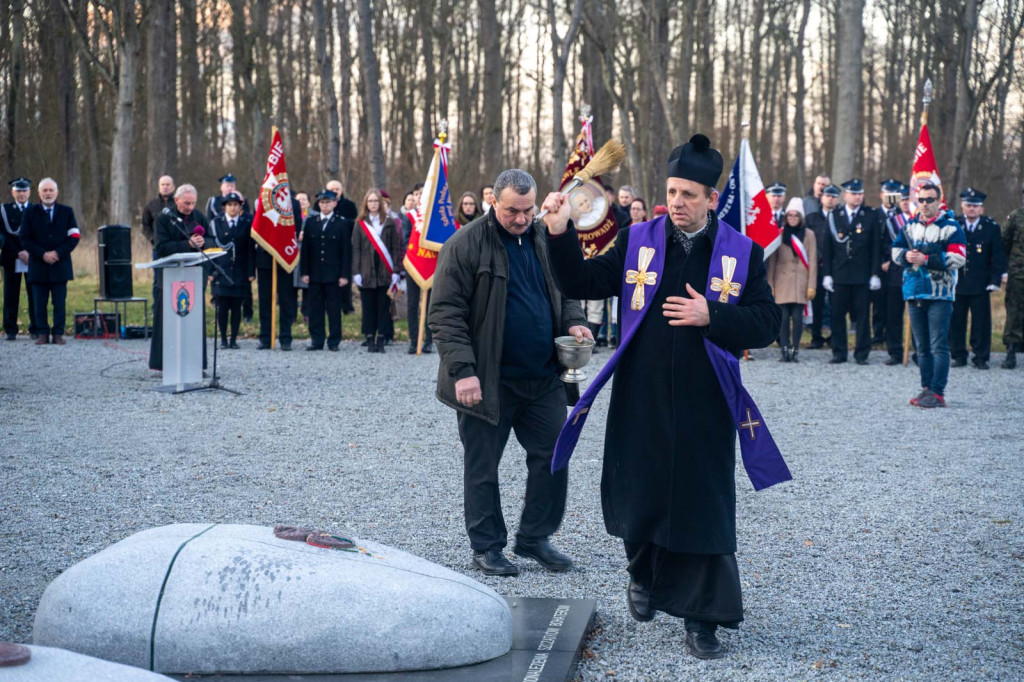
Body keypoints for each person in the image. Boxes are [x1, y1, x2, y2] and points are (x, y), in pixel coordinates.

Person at [543, 134, 787, 660]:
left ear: (711, 200)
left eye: (689, 195)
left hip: (706, 400)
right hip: (642, 394)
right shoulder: (638, 238)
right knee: (641, 493)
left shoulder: (740, 254)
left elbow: (769, 323)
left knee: (703, 506)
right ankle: (643, 578)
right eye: (672, 191)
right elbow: (580, 277)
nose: (677, 202)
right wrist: (560, 232)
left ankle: (703, 620)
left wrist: (712, 316)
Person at [429, 168, 590, 578]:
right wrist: (463, 370)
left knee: (554, 457)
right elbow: (446, 315)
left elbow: (566, 289)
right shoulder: (464, 245)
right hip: (486, 382)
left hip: (542, 378)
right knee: (483, 467)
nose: (521, 219)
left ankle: (534, 537)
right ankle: (486, 547)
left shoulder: (541, 237)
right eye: (511, 211)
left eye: (528, 210)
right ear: (492, 203)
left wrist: (573, 321)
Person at [892, 182, 965, 406]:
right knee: (921, 347)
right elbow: (895, 251)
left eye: (929, 200)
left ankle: (938, 392)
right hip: (914, 292)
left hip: (940, 294)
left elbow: (959, 258)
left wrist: (928, 259)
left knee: (938, 345)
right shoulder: (909, 226)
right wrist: (906, 256)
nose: (924, 204)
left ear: (939, 200)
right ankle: (926, 388)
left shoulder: (952, 228)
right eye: (921, 200)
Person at [821, 178, 882, 364]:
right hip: (839, 275)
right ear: (845, 195)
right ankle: (839, 352)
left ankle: (862, 353)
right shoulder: (834, 215)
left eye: (860, 194)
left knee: (863, 318)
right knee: (838, 316)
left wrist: (875, 273)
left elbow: (875, 247)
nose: (858, 197)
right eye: (854, 194)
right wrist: (827, 275)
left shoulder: (870, 215)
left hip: (862, 275)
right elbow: (828, 247)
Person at [149, 184, 209, 370]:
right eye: (186, 203)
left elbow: (213, 239)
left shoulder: (199, 217)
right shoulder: (164, 218)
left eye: (192, 203)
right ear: (176, 200)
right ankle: (163, 364)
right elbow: (162, 247)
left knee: (193, 318)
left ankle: (195, 363)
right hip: (169, 276)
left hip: (194, 276)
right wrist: (187, 244)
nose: (189, 208)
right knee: (166, 319)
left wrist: (204, 243)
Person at [949, 188, 1006, 370]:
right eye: (968, 205)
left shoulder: (990, 227)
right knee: (956, 320)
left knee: (981, 322)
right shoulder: (954, 225)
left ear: (982, 209)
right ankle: (958, 355)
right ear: (962, 206)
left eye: (975, 206)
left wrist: (995, 280)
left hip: (981, 283)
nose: (971, 209)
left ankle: (980, 356)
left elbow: (997, 256)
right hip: (958, 282)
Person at [20, 178, 80, 345]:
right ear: (39, 193)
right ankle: (42, 333)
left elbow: (74, 236)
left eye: (50, 190)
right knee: (39, 303)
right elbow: (24, 238)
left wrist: (57, 253)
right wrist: (42, 254)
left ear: (56, 192)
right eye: (44, 190)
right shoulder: (30, 213)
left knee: (59, 302)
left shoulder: (67, 212)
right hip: (39, 266)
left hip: (60, 265)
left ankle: (59, 333)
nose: (48, 193)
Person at [352, 188, 402, 353]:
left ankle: (381, 338)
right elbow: (356, 248)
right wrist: (356, 272)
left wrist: (396, 270)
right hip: (366, 272)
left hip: (385, 272)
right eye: (370, 201)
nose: (373, 204)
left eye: (375, 201)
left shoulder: (389, 222)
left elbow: (395, 248)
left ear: (380, 203)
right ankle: (369, 338)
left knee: (383, 307)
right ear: (366, 203)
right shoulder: (360, 223)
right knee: (368, 307)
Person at [300, 189, 352, 351]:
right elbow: (306, 250)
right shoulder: (311, 222)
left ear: (334, 203)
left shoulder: (341, 223)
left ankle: (334, 340)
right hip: (315, 273)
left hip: (334, 274)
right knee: (315, 309)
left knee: (334, 309)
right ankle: (317, 340)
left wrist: (344, 274)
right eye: (322, 202)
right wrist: (305, 272)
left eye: (328, 202)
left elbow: (346, 252)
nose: (325, 205)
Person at [767, 198, 816, 362]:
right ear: (786, 217)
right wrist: (770, 285)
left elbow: (813, 261)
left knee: (797, 318)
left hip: (800, 282)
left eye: (796, 215)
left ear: (801, 217)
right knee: (783, 319)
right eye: (790, 215)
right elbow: (772, 262)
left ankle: (795, 349)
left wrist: (812, 285)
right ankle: (784, 349)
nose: (793, 218)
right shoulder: (779, 234)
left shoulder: (809, 235)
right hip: (782, 282)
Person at [253, 193, 303, 351]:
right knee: (265, 300)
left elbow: (297, 226)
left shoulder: (293, 204)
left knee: (287, 300)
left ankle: (286, 337)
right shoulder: (262, 201)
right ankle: (265, 337)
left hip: (284, 256)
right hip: (265, 259)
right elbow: (258, 226)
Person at [208, 193, 253, 349]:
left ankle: (233, 339)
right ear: (224, 207)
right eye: (229, 205)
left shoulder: (246, 223)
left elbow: (250, 250)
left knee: (236, 308)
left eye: (235, 205)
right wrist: (210, 271)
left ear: (240, 207)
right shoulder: (216, 223)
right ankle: (223, 339)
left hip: (240, 272)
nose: (233, 208)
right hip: (221, 271)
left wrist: (250, 272)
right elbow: (210, 248)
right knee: (222, 308)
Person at [1, 177, 43, 339]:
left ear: (30, 192)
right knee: (11, 294)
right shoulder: (4, 210)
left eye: (25, 190)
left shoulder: (36, 209)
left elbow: (40, 235)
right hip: (12, 258)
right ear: (12, 192)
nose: (22, 194)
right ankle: (10, 330)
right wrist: (19, 252)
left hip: (32, 258)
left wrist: (29, 252)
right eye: (18, 190)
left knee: (35, 294)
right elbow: (4, 235)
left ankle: (36, 328)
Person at [878, 183, 912, 364]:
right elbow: (884, 244)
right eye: (903, 200)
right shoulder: (892, 221)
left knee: (916, 315)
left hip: (916, 273)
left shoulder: (920, 220)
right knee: (893, 315)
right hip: (895, 272)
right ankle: (895, 352)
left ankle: (918, 352)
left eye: (909, 199)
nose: (906, 203)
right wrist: (890, 258)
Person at [804, 184, 840, 348]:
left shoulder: (841, 217)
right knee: (817, 304)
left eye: (833, 196)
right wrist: (819, 257)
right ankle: (816, 337)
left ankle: (835, 337)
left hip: (836, 267)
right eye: (827, 196)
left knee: (836, 304)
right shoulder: (811, 218)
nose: (830, 199)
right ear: (822, 198)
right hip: (816, 266)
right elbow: (807, 241)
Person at [401, 185, 433, 354]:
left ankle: (429, 340)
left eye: (423, 193)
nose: (420, 196)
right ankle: (414, 340)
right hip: (413, 264)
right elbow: (405, 242)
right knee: (413, 304)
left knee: (430, 305)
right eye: (417, 194)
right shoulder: (409, 217)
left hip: (432, 265)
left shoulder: (436, 217)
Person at [1003, 188, 1024, 369]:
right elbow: (1004, 242)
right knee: (1014, 311)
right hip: (1018, 273)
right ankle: (1011, 351)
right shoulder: (1015, 217)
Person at [141, 175, 176, 247]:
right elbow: (145, 226)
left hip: (177, 246)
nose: (165, 187)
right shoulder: (151, 205)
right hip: (158, 246)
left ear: (173, 187)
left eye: (168, 185)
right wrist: (153, 239)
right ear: (159, 187)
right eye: (162, 185)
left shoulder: (179, 204)